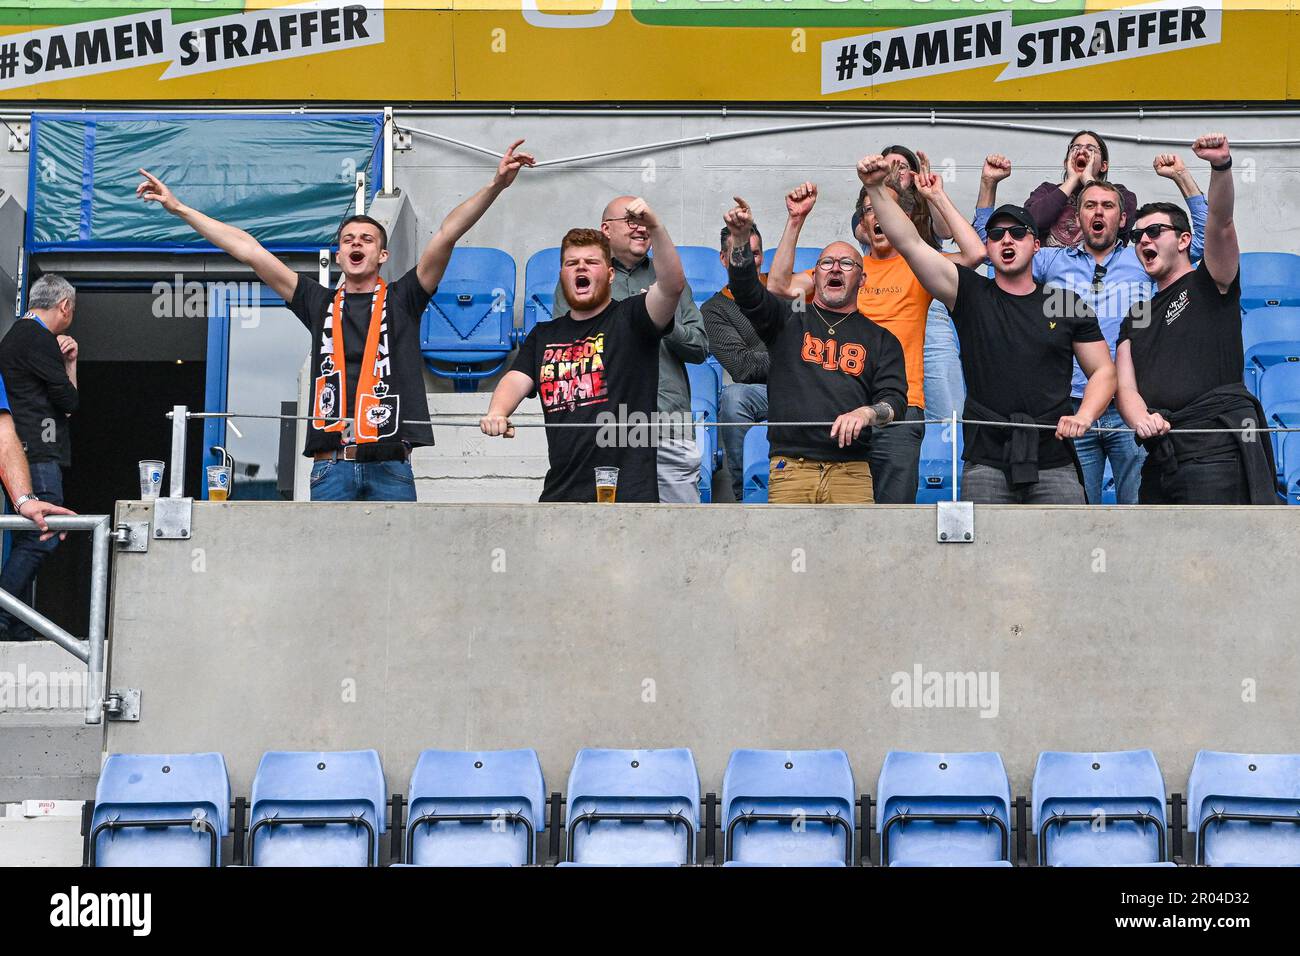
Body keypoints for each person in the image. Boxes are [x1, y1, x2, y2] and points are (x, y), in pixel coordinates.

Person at [136, 140, 535, 502]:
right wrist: (180, 208)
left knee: (397, 576)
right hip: (331, 467)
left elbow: (447, 233)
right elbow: (249, 250)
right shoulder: (317, 300)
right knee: (328, 579)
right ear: (339, 256)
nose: (356, 244)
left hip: (391, 466)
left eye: (367, 239)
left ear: (382, 256)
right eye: (348, 240)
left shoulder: (404, 298)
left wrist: (495, 185)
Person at [862, 154, 1117, 504]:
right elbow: (910, 244)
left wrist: (1085, 415)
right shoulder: (970, 294)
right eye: (996, 234)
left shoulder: (1065, 301)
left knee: (1064, 554)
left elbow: (1103, 370)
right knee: (984, 558)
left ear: (1036, 244)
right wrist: (875, 189)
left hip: (1055, 460)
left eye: (1017, 233)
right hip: (985, 463)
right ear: (989, 246)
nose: (1006, 240)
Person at [974, 151, 1207, 503]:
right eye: (1089, 205)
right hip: (1074, 410)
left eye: (1108, 206)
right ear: (1077, 216)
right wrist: (988, 184)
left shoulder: (1144, 256)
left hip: (1134, 408)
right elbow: (988, 250)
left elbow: (1200, 239)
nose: (1098, 212)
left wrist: (1182, 176)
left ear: (1123, 217)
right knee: (1079, 519)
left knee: (1138, 509)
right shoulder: (1050, 261)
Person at [767, 170, 985, 503]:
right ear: (863, 223)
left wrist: (936, 196)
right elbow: (780, 287)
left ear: (902, 219)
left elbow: (975, 255)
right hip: (842, 409)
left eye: (885, 209)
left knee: (891, 520)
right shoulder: (845, 268)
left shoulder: (920, 265)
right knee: (844, 520)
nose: (877, 216)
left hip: (901, 406)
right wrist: (795, 220)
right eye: (869, 210)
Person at [479, 208, 684, 502]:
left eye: (591, 262)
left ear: (610, 274)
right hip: (561, 495)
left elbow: (672, 286)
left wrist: (655, 226)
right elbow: (516, 378)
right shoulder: (544, 335)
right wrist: (498, 411)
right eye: (571, 263)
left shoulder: (633, 318)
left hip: (627, 498)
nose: (581, 268)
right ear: (563, 274)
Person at [1116, 133, 1276, 504]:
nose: (1143, 240)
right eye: (1138, 235)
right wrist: (1140, 417)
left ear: (1185, 239)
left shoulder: (1210, 281)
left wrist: (1219, 167)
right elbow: (1125, 387)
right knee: (1160, 559)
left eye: (1155, 231)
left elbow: (1221, 223)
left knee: (1216, 558)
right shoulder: (1135, 315)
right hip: (1162, 453)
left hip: (1215, 448)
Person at [722, 196, 907, 504]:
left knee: (853, 553)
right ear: (815, 275)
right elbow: (746, 291)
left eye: (846, 264)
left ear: (862, 278)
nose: (835, 268)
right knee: (785, 551)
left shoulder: (882, 339)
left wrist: (867, 413)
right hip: (790, 468)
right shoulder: (786, 319)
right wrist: (741, 239)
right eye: (826, 263)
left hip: (852, 472)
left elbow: (895, 402)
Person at [553, 196, 708, 503]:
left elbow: (700, 347)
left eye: (645, 222)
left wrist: (661, 321)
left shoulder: (670, 281)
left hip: (665, 425)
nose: (641, 229)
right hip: (601, 430)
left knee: (679, 535)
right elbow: (567, 352)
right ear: (606, 230)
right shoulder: (581, 281)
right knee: (603, 536)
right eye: (632, 221)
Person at [0, 369, 77, 641]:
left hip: (40, 458)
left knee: (39, 534)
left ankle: (13, 624)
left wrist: (24, 500)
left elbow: (4, 438)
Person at [701, 225, 769, 502]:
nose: (748, 262)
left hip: (809, 385)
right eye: (739, 254)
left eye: (754, 254)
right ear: (723, 258)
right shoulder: (715, 309)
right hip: (765, 392)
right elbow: (743, 368)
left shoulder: (783, 289)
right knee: (734, 396)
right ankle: (745, 494)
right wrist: (788, 352)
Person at [1026, 130, 1138, 248]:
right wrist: (1071, 181)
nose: (1082, 151)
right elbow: (1030, 222)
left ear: (1103, 166)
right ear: (1066, 163)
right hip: (1052, 265)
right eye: (1075, 148)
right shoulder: (1047, 190)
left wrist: (1089, 181)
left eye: (1091, 149)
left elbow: (1123, 224)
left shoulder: (1121, 194)